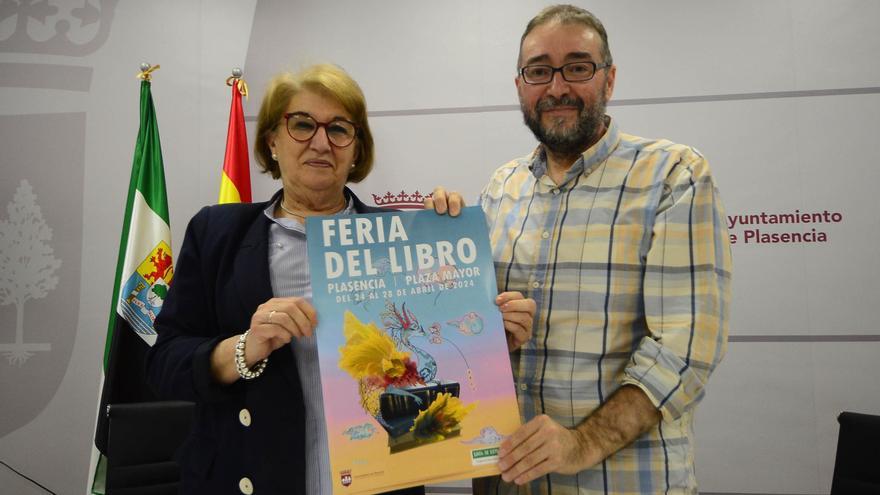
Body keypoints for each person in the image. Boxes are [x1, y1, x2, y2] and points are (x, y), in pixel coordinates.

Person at [145, 63, 535, 495]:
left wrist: (493, 343)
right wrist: (244, 348)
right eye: (302, 124)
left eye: (339, 130)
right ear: (272, 140)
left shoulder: (403, 241)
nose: (320, 142)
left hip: (377, 481)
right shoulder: (216, 233)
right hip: (251, 477)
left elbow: (433, 382)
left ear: (356, 150)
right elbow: (164, 366)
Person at [428, 5, 731, 494]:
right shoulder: (501, 187)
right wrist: (437, 256)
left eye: (578, 67)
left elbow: (685, 349)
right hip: (510, 481)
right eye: (539, 70)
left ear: (609, 80)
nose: (556, 87)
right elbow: (471, 341)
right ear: (520, 85)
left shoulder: (673, 175)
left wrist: (579, 444)